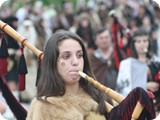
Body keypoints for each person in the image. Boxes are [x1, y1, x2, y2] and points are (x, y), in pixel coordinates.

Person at [26, 30, 155, 120]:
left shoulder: (98, 97)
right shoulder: (42, 106)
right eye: (66, 56)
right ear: (53, 62)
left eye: (79, 55)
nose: (75, 62)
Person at [116, 28, 160, 113]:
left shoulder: (156, 62)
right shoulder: (126, 65)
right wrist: (144, 85)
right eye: (138, 41)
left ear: (149, 42)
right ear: (133, 44)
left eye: (145, 40)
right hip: (135, 110)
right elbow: (121, 90)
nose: (142, 44)